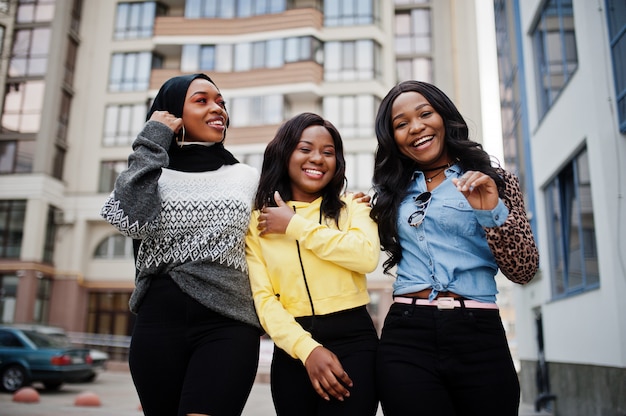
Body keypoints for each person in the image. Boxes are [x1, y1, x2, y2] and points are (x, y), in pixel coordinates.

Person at [369, 80, 539, 416]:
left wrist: (490, 211)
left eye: (424, 114)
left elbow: (524, 269)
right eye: (401, 124)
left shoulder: (494, 180)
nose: (416, 127)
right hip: (406, 334)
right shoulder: (391, 192)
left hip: (478, 331)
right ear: (394, 139)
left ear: (444, 117)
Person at [100, 73, 262, 416]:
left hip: (227, 324)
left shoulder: (247, 177)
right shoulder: (148, 174)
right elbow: (128, 221)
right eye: (201, 100)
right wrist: (153, 139)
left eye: (221, 101)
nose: (217, 108)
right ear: (172, 112)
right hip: (156, 325)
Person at [245, 112, 380, 416]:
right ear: (284, 154)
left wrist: (294, 225)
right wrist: (308, 351)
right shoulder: (257, 223)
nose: (318, 159)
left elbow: (365, 256)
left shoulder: (354, 208)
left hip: (355, 342)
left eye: (328, 152)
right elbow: (264, 299)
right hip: (293, 348)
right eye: (305, 149)